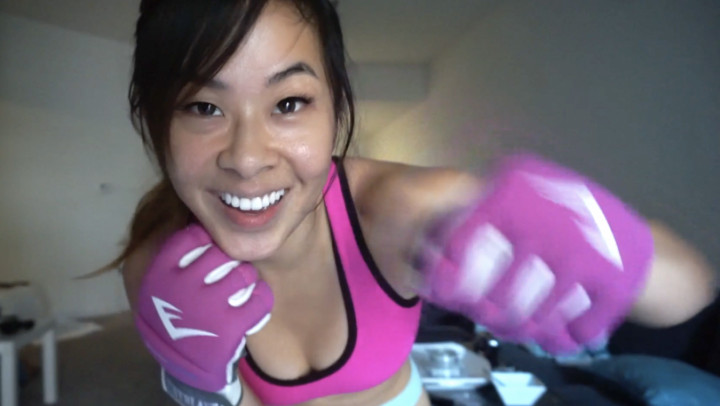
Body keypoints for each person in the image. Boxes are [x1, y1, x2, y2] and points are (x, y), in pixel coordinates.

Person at [111, 1, 718, 405]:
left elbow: (687, 290)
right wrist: (199, 389)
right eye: (203, 107)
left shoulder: (397, 210)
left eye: (289, 103)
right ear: (157, 125)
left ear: (336, 111)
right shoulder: (155, 266)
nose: (247, 157)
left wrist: (606, 238)